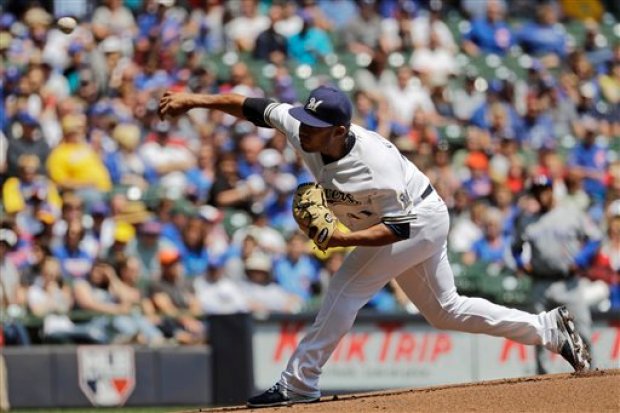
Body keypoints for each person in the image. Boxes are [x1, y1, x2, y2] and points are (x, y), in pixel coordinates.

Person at [158, 84, 591, 408]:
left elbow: (398, 230)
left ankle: (299, 382)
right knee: (445, 310)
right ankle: (549, 330)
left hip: (417, 219)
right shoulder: (303, 127)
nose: (304, 131)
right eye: (304, 122)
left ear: (340, 131)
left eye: (315, 128)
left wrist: (342, 239)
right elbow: (255, 107)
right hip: (415, 215)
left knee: (346, 288)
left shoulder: (376, 167)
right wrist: (195, 99)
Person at [512, 175, 602, 373]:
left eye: (544, 190)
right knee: (540, 335)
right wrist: (521, 263)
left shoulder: (571, 213)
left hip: (568, 283)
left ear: (552, 190)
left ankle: (593, 379)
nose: (541, 195)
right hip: (540, 284)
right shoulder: (527, 221)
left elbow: (595, 239)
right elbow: (515, 248)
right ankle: (544, 384)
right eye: (537, 191)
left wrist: (580, 259)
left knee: (583, 333)